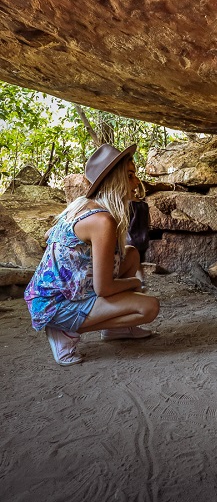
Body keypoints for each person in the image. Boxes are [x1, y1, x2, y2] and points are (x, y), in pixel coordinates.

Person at [24, 144, 160, 366]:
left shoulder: (83, 207)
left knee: (132, 254)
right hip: (55, 306)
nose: (136, 182)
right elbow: (103, 288)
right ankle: (62, 330)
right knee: (149, 306)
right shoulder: (102, 221)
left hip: (61, 292)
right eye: (130, 175)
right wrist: (136, 282)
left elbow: (51, 234)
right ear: (114, 181)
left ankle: (115, 329)